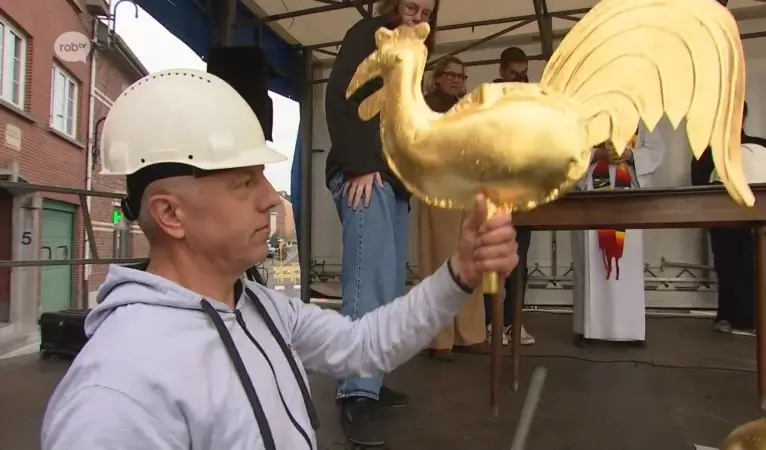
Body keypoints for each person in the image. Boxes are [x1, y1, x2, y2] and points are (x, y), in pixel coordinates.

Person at [40, 69, 520, 450]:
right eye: (244, 182)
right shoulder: (115, 396)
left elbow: (362, 346)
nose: (271, 198)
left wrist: (460, 271)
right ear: (170, 214)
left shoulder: (260, 307)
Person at [324, 0, 440, 444]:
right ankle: (356, 392)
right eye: (411, 3)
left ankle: (369, 380)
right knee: (366, 282)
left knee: (389, 288)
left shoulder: (416, 52)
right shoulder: (368, 33)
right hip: (365, 174)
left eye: (426, 8)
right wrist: (358, 164)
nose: (417, 13)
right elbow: (340, 96)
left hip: (391, 181)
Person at [691, 101, 766, 336]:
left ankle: (749, 321)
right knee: (725, 266)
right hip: (722, 217)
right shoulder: (707, 150)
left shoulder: (759, 146)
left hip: (754, 218)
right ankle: (726, 317)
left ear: (743, 117)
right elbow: (699, 182)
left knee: (750, 266)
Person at [571, 123, 666, 345]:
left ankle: (628, 330)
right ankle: (590, 330)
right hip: (593, 191)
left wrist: (630, 155)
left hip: (627, 192)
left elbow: (656, 150)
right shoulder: (585, 112)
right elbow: (567, 150)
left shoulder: (640, 115)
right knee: (592, 262)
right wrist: (596, 154)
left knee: (626, 263)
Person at [419, 56, 485, 361]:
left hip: (468, 186)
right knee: (442, 259)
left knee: (470, 257)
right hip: (440, 187)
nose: (458, 80)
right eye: (452, 75)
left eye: (462, 75)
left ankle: (469, 333)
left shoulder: (468, 106)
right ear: (438, 77)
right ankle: (440, 338)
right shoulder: (426, 105)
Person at [484, 46, 537, 346]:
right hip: (492, 192)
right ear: (502, 71)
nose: (520, 80)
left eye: (525, 74)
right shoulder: (487, 100)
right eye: (515, 74)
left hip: (522, 193)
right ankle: (491, 322)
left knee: (519, 260)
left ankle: (513, 323)